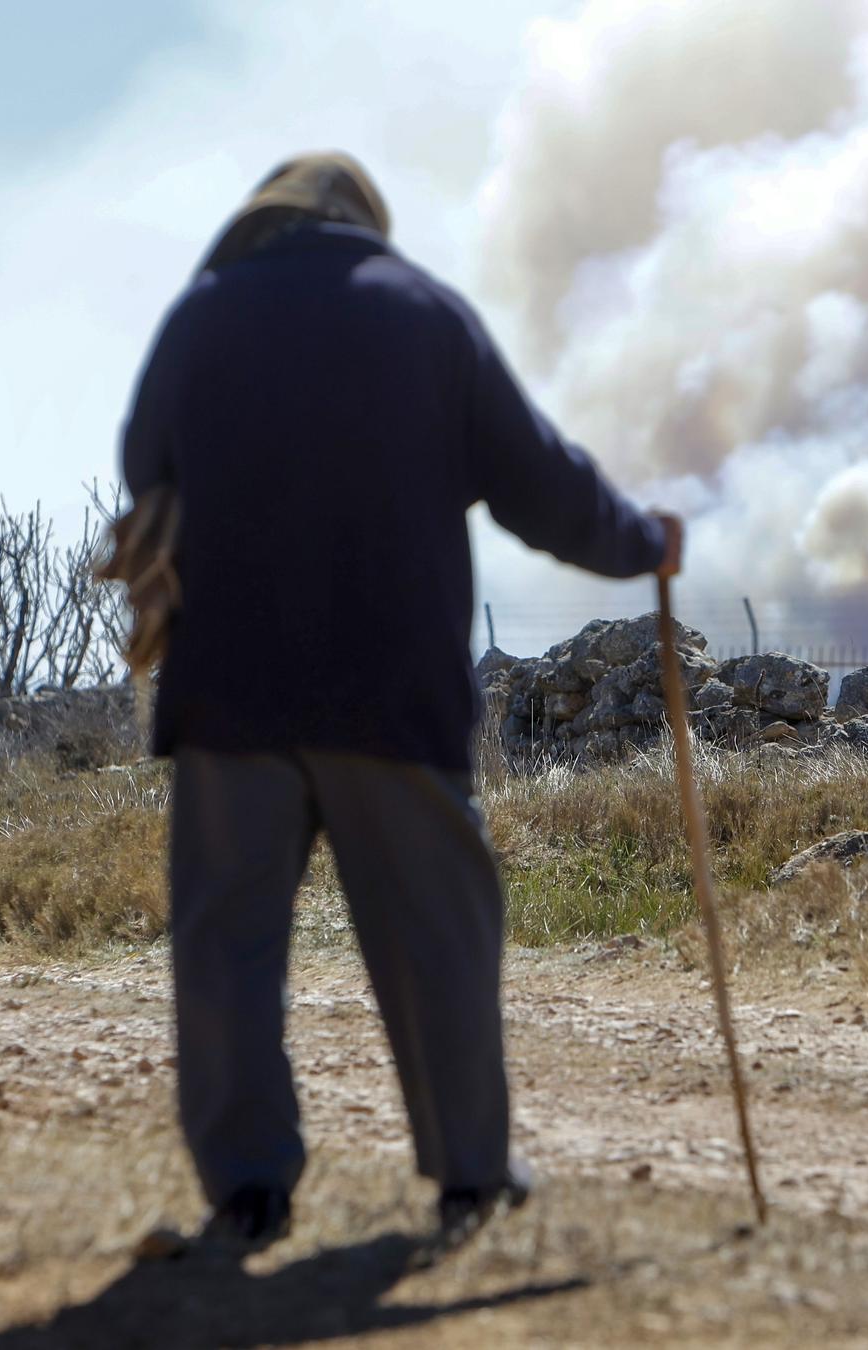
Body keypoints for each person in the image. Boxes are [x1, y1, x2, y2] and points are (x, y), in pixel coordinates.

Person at [121, 152, 681, 1251]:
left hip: (228, 690)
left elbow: (144, 460)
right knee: (438, 939)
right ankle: (469, 1175)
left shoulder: (200, 316)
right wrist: (638, 542)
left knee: (227, 948)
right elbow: (539, 482)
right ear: (363, 221)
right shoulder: (427, 315)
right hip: (390, 688)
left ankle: (246, 1190)